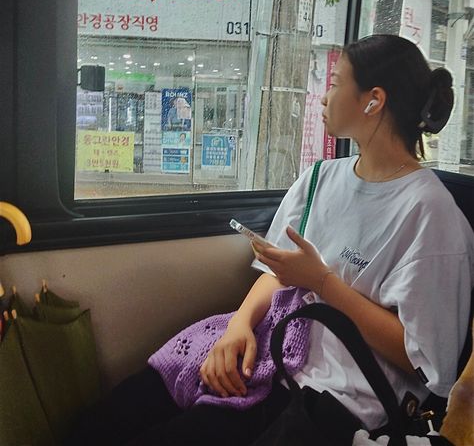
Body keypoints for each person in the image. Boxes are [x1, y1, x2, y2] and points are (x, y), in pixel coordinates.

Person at [64, 35, 474, 446]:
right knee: (103, 422)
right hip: (265, 347)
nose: (323, 97)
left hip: (325, 397)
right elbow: (279, 275)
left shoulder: (431, 216)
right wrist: (238, 328)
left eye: (335, 83)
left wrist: (323, 283)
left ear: (373, 100)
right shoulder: (321, 179)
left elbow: (421, 361)